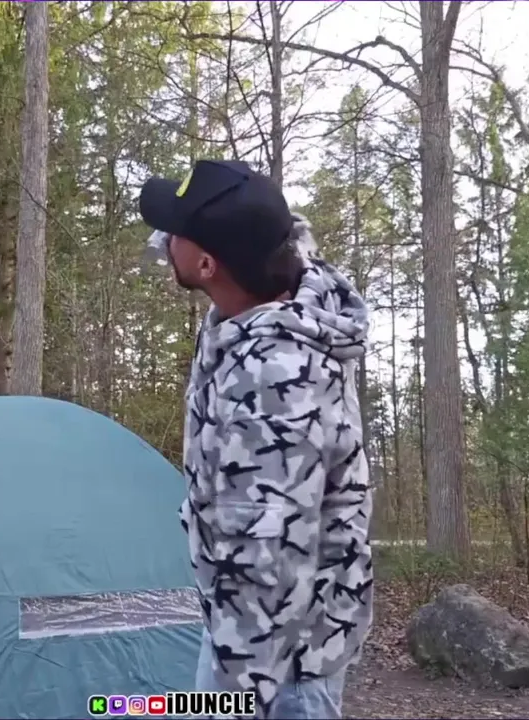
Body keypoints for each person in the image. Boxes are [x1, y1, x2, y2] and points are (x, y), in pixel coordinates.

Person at [138, 160, 373, 720]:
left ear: (208, 263)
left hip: (275, 657)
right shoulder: (280, 287)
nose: (164, 240)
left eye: (176, 233)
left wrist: (234, 692)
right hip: (255, 627)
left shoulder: (272, 378)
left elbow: (268, 561)